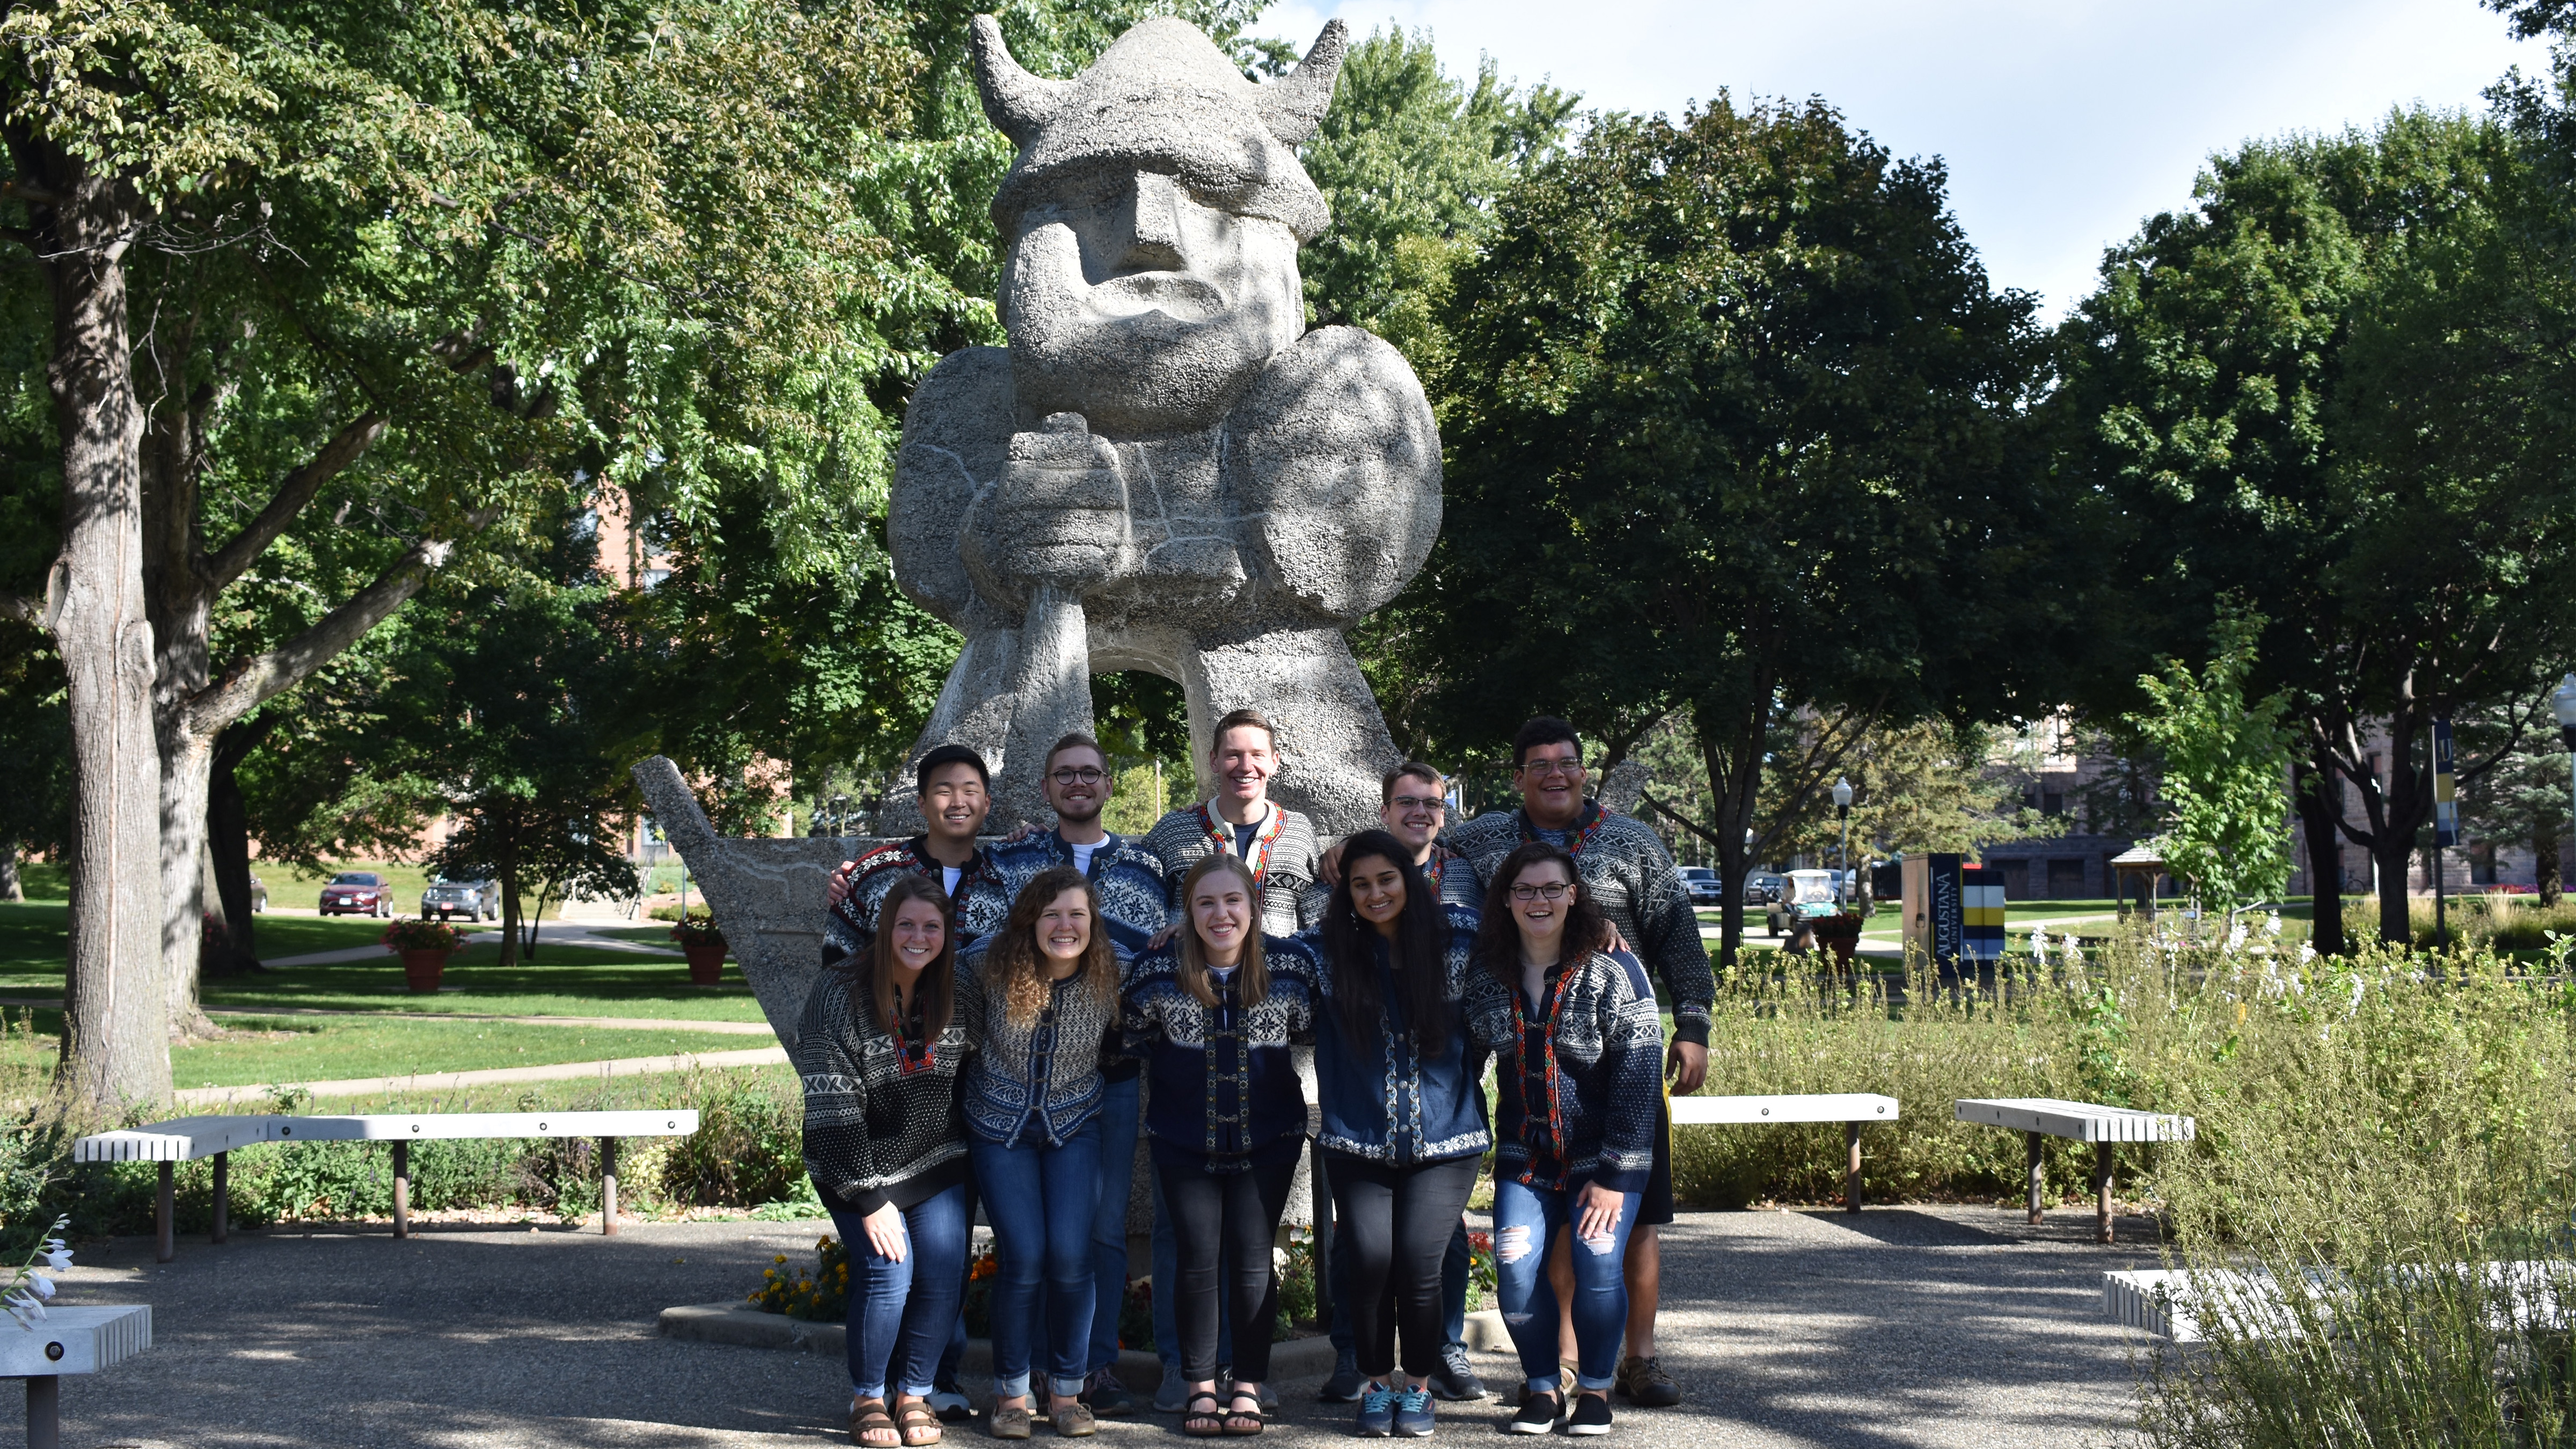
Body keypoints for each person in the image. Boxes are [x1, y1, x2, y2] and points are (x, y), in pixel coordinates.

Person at [1441, 719, 1709, 1407]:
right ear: (1518, 776)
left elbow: (1677, 931)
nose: (1554, 774)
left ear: (1585, 772)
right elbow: (1417, 849)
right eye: (1539, 765)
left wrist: (1694, 1024)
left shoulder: (1632, 841)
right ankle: (1561, 1364)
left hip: (1621, 1057)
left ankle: (1640, 1359)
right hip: (1534, 1059)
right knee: (1550, 1223)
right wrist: (1349, 846)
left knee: (1633, 1217)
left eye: (1567, 763)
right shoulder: (1483, 838)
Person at [992, 732, 1169, 1418]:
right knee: (1029, 1241)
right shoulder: (1013, 858)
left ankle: (1087, 1370)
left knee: (1096, 1231)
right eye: (1063, 774)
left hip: (1112, 1074)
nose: (1077, 784)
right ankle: (1028, 1374)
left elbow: (1165, 942)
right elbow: (960, 908)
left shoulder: (1144, 865)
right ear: (1046, 788)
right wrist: (856, 869)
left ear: (1108, 784)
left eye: (1090, 773)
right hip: (1021, 1076)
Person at [1462, 843, 1663, 1437]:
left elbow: (1640, 1075)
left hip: (1600, 1162)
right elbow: (1464, 1058)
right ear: (1507, 899)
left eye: (1552, 888)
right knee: (1517, 1272)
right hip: (1526, 1159)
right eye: (1525, 890)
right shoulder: (1488, 975)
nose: (1539, 901)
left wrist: (1615, 1178)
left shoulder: (1615, 971)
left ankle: (1597, 1390)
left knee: (1598, 1264)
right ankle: (1545, 1388)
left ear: (1574, 894)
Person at [1122, 854, 1320, 1438]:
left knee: (1254, 1263)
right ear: (1187, 912)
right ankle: (1200, 1386)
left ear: (1254, 907)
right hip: (1184, 1139)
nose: (1221, 913)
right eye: (1205, 902)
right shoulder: (1160, 967)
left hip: (1270, 1138)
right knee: (1196, 1263)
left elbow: (1308, 1028)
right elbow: (1133, 1031)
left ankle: (1249, 1386)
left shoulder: (1291, 965)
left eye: (1232, 901)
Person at [1313, 765, 1483, 1405]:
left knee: (1419, 1264)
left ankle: (1419, 1384)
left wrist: (1599, 927)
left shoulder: (1460, 937)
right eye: (1361, 885)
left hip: (1447, 1135)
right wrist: (1176, 936)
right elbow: (1250, 959)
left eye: (1387, 880)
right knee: (1369, 1263)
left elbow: (1537, 931)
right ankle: (1373, 1380)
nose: (1376, 893)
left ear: (1408, 880)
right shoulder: (1325, 955)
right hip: (1359, 1139)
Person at [791, 875, 977, 1448]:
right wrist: (870, 1200)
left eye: (931, 927)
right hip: (852, 1160)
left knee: (944, 1270)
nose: (918, 937)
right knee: (888, 1272)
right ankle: (869, 1395)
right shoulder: (838, 992)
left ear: (947, 935)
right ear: (884, 928)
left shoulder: (959, 986)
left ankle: (914, 1393)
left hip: (936, 1157)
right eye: (906, 925)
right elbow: (831, 1105)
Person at [957, 867, 1124, 1440]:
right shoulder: (988, 963)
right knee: (1025, 1256)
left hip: (1075, 1124)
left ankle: (1067, 1393)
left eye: (1077, 914)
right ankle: (1010, 1393)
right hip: (999, 1124)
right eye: (1051, 914)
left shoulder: (1113, 969)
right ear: (1030, 920)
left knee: (1073, 1257)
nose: (1065, 925)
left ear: (1092, 922)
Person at [1141, 708, 1322, 938]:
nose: (1246, 766)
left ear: (1274, 762)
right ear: (1214, 761)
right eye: (1233, 755)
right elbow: (1140, 911)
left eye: (1257, 755)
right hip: (1191, 972)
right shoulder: (1173, 830)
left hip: (1278, 973)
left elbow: (1320, 923)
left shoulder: (1299, 831)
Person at [826, 744, 1014, 965]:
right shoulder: (874, 872)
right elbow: (834, 967)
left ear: (987, 804)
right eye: (944, 792)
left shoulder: (1000, 884)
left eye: (970, 791)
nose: (958, 803)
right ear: (922, 804)